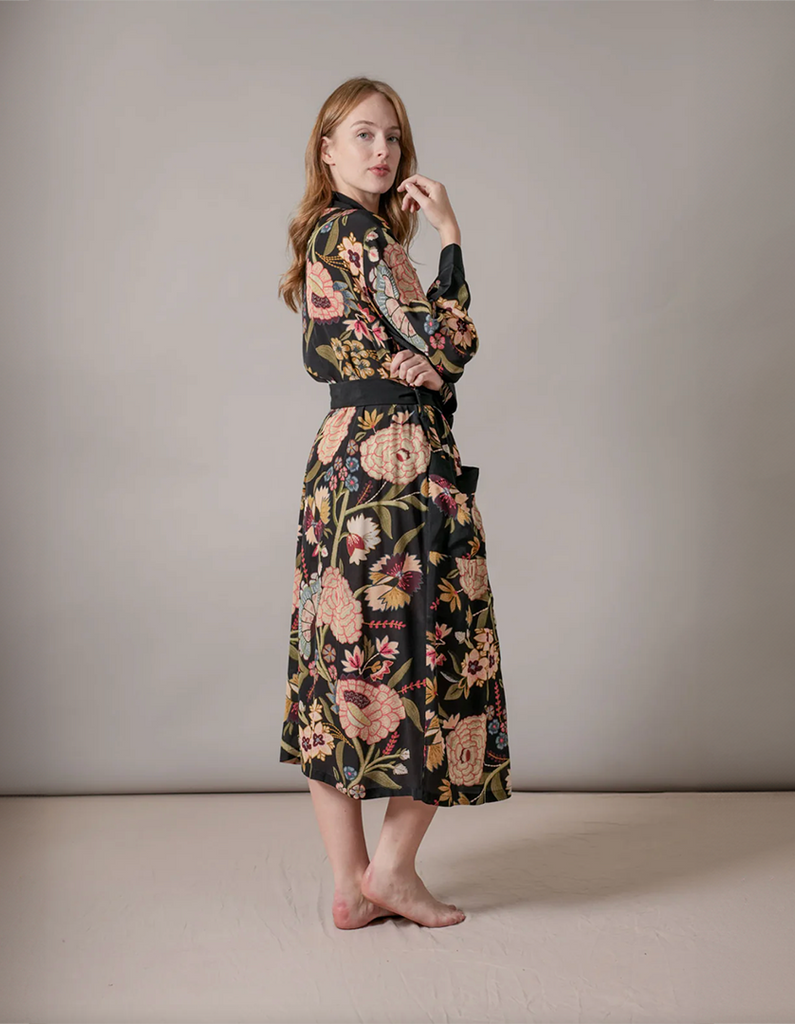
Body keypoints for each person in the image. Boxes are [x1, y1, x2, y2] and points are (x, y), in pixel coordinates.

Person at [277, 77, 512, 930]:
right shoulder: (366, 235)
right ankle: (391, 872)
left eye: (394, 138)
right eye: (363, 135)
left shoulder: (321, 235)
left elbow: (411, 350)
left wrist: (431, 365)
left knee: (338, 668)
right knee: (437, 659)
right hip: (400, 467)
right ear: (327, 149)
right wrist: (451, 236)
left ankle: (351, 886)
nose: (383, 151)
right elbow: (447, 338)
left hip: (341, 464)